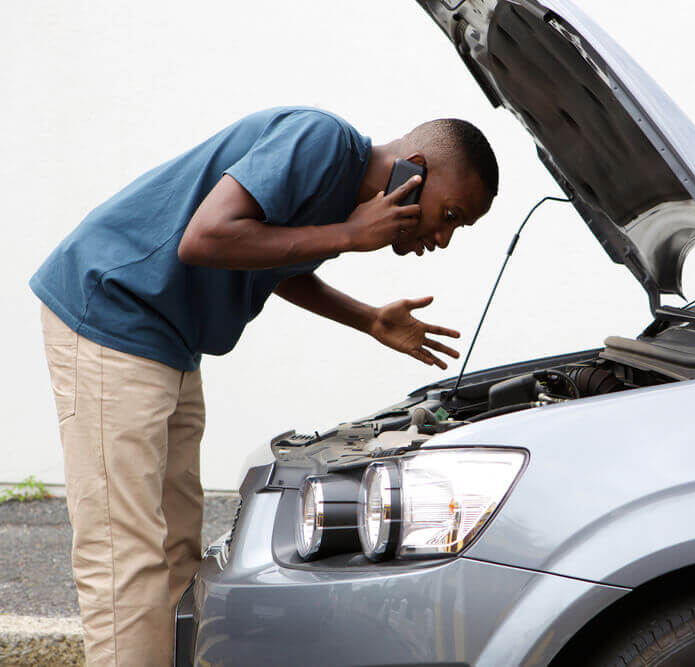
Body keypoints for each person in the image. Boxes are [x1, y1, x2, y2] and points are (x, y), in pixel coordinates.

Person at [30, 106, 498, 666]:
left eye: (458, 227)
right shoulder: (320, 140)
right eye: (448, 213)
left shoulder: (340, 189)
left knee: (178, 549)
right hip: (112, 311)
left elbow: (275, 262)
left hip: (168, 340)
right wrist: (348, 235)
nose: (443, 237)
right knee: (123, 554)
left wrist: (369, 319)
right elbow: (205, 238)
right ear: (414, 170)